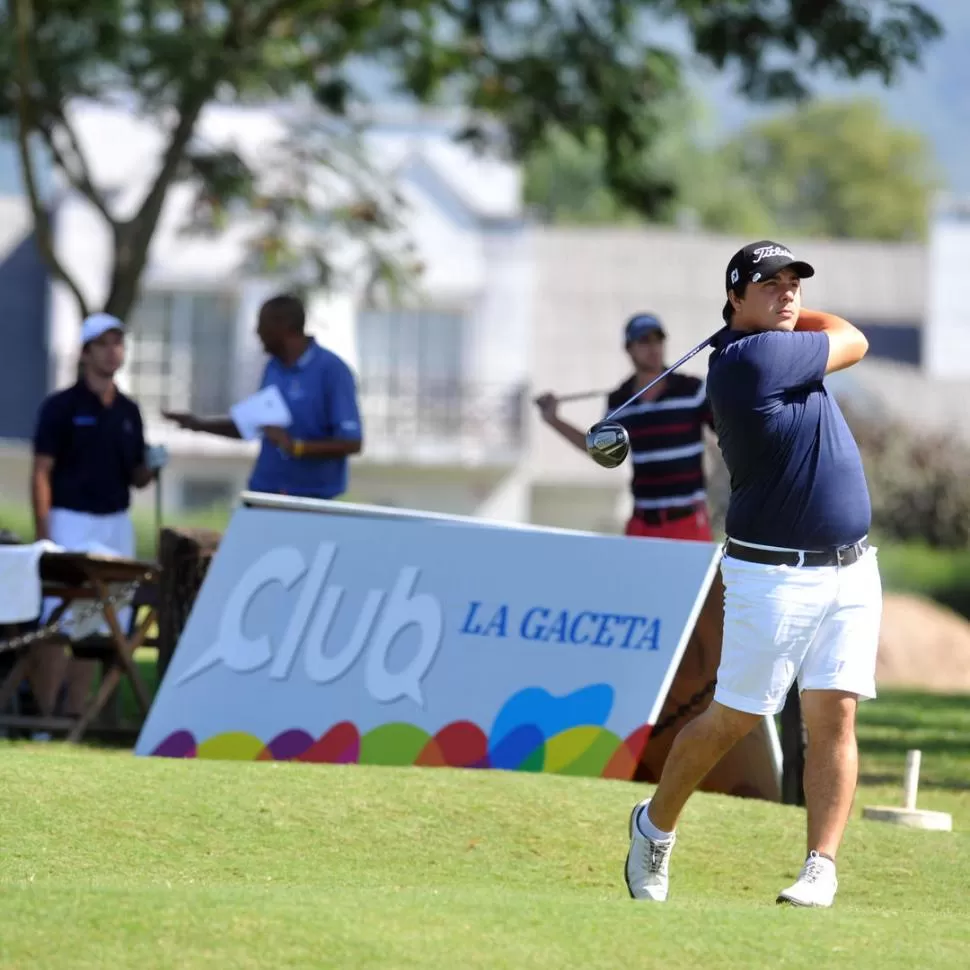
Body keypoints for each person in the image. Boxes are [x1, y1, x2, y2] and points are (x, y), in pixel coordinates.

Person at [624, 240, 878, 909]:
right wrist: (776, 321)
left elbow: (822, 334)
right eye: (771, 284)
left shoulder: (772, 342)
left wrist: (769, 312)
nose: (789, 293)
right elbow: (853, 337)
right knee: (733, 716)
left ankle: (820, 866)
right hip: (775, 575)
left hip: (851, 569)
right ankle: (655, 826)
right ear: (735, 295)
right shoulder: (753, 360)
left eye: (795, 283)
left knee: (835, 717)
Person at [29, 312, 168, 717]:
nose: (113, 352)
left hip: (115, 524)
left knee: (101, 621)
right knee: (60, 619)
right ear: (86, 352)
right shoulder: (61, 406)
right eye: (104, 344)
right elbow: (41, 471)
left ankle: (76, 717)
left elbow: (137, 479)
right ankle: (44, 718)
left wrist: (153, 466)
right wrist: (44, 534)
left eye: (118, 344)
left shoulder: (128, 412)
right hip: (69, 519)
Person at [163, 294, 363, 499]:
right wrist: (197, 424)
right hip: (264, 491)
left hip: (311, 498)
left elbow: (352, 443)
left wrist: (296, 446)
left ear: (284, 325)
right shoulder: (273, 368)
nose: (257, 332)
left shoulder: (332, 370)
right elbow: (255, 425)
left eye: (262, 324)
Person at [535, 313, 714, 541]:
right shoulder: (620, 400)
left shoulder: (693, 390)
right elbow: (599, 450)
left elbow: (728, 429)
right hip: (641, 525)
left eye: (657, 339)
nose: (653, 347)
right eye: (644, 341)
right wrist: (553, 420)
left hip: (687, 523)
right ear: (628, 348)